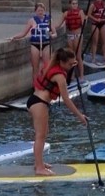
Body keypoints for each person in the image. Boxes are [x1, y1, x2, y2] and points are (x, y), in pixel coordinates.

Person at [26, 47, 88, 175]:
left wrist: (73, 62)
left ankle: (39, 162)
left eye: (73, 64)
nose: (71, 66)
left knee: (43, 133)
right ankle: (39, 168)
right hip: (39, 103)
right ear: (62, 62)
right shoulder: (60, 77)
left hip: (35, 100)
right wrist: (80, 116)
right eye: (70, 64)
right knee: (40, 136)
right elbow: (66, 100)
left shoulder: (52, 65)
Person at [9, 3, 57, 81]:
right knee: (35, 67)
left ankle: (47, 83)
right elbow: (23, 33)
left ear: (44, 11)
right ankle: (35, 86)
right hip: (35, 45)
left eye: (42, 10)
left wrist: (52, 35)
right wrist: (14, 37)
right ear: (35, 11)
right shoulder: (32, 21)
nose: (40, 12)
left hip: (46, 44)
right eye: (38, 11)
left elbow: (55, 33)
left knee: (47, 66)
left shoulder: (49, 20)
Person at [55, 0, 86, 83]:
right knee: (71, 56)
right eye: (73, 4)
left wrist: (84, 20)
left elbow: (84, 24)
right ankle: (71, 75)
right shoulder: (66, 14)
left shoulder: (80, 12)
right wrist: (51, 27)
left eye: (76, 4)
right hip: (70, 36)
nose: (75, 5)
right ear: (70, 5)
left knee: (78, 56)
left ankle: (81, 75)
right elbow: (59, 24)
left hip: (78, 35)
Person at [87, 0, 105, 65]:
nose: (99, 0)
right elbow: (89, 15)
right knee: (95, 41)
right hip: (95, 23)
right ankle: (93, 58)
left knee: (104, 41)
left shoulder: (104, 4)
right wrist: (96, 19)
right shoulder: (93, 5)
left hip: (102, 23)